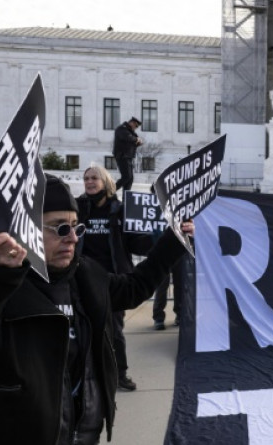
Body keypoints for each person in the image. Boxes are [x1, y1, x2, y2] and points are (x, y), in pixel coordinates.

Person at [0, 175, 193, 444]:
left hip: (79, 434)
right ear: (25, 229)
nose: (72, 238)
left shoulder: (84, 275)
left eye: (75, 227)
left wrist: (174, 241)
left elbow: (133, 288)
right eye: (59, 228)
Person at [77, 164, 155, 391]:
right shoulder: (78, 207)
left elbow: (136, 243)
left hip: (113, 280)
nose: (89, 182)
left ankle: (119, 373)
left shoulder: (120, 209)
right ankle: (86, 374)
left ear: (106, 182)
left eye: (94, 178)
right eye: (86, 179)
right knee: (84, 328)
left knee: (114, 330)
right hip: (83, 279)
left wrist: (157, 237)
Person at [113, 116, 143, 192]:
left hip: (128, 157)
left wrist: (137, 141)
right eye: (135, 126)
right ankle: (110, 191)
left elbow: (134, 141)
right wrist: (136, 139)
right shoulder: (121, 129)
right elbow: (127, 137)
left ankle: (126, 199)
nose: (136, 128)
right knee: (126, 177)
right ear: (131, 123)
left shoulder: (131, 132)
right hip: (122, 156)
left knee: (130, 179)